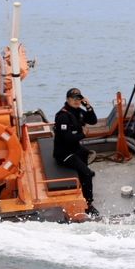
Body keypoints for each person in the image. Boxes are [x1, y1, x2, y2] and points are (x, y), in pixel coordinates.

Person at [53, 87, 99, 216]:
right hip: (64, 153)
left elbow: (93, 121)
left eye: (79, 98)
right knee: (88, 173)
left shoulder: (79, 112)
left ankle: (82, 176)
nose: (76, 101)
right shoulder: (63, 116)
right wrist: (82, 135)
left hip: (74, 148)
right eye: (73, 98)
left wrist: (88, 106)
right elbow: (67, 139)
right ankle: (88, 204)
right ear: (67, 99)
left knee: (85, 152)